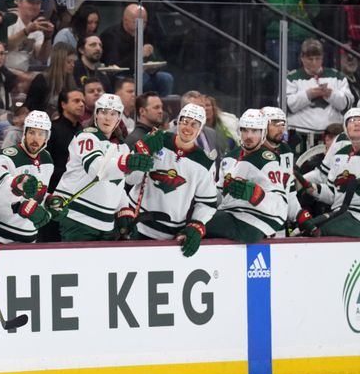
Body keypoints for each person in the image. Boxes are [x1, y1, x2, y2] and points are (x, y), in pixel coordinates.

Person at [121, 104, 218, 256]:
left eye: (194, 124)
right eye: (185, 121)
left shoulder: (205, 162)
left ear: (200, 129)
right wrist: (141, 154)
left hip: (171, 235)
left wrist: (197, 224)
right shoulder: (158, 139)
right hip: (137, 225)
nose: (187, 128)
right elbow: (131, 179)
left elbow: (207, 203)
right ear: (178, 122)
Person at [54, 93, 152, 240]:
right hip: (78, 218)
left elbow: (120, 183)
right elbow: (97, 169)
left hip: (106, 224)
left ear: (118, 119)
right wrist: (129, 162)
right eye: (103, 112)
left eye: (113, 114)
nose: (107, 118)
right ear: (96, 115)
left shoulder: (122, 147)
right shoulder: (86, 137)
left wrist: (123, 209)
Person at [0, 110, 61, 243]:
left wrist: (49, 201)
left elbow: (37, 195)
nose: (35, 138)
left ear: (47, 137)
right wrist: (20, 207)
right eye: (32, 132)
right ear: (25, 132)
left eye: (41, 134)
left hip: (26, 239)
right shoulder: (7, 157)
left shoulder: (47, 159)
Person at [208, 109, 288, 242]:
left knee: (196, 223)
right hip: (229, 215)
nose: (248, 136)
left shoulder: (267, 160)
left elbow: (280, 204)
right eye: (245, 130)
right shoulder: (229, 159)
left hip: (253, 222)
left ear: (263, 133)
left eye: (254, 131)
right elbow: (219, 195)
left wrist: (258, 195)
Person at [261, 106, 317, 235]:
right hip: (254, 225)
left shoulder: (285, 149)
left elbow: (288, 191)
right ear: (262, 126)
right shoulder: (248, 152)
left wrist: (298, 214)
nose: (281, 128)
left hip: (278, 224)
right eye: (275, 123)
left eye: (283, 124)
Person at [287, 38, 353, 142]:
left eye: (317, 58)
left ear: (322, 58)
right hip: (300, 135)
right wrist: (309, 95)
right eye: (310, 59)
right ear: (302, 58)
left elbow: (346, 104)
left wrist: (330, 94)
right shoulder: (292, 78)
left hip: (333, 135)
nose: (314, 62)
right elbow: (287, 105)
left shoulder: (337, 76)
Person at [100, 4, 173, 96]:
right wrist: (139, 53)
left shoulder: (147, 32)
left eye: (144, 22)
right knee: (142, 79)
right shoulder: (111, 36)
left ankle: (158, 106)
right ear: (125, 20)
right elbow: (114, 66)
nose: (141, 26)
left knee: (166, 78)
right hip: (122, 75)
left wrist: (153, 66)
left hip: (143, 72)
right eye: (136, 22)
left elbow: (152, 60)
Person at [309, 107, 360, 236]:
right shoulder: (340, 154)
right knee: (308, 227)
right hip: (340, 213)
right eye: (352, 120)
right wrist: (313, 189)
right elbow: (333, 193)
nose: (357, 123)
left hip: (356, 216)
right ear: (345, 127)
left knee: (324, 230)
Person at [6, 0, 55, 71]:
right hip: (2, 69)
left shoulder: (37, 28)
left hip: (23, 71)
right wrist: (27, 31)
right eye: (31, 2)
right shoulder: (9, 19)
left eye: (38, 3)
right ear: (18, 1)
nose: (35, 6)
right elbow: (5, 46)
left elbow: (42, 58)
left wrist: (47, 38)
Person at [24, 41, 76, 118]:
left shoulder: (71, 82)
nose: (73, 65)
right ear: (59, 61)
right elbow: (31, 107)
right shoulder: (42, 80)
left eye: (74, 62)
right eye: (69, 62)